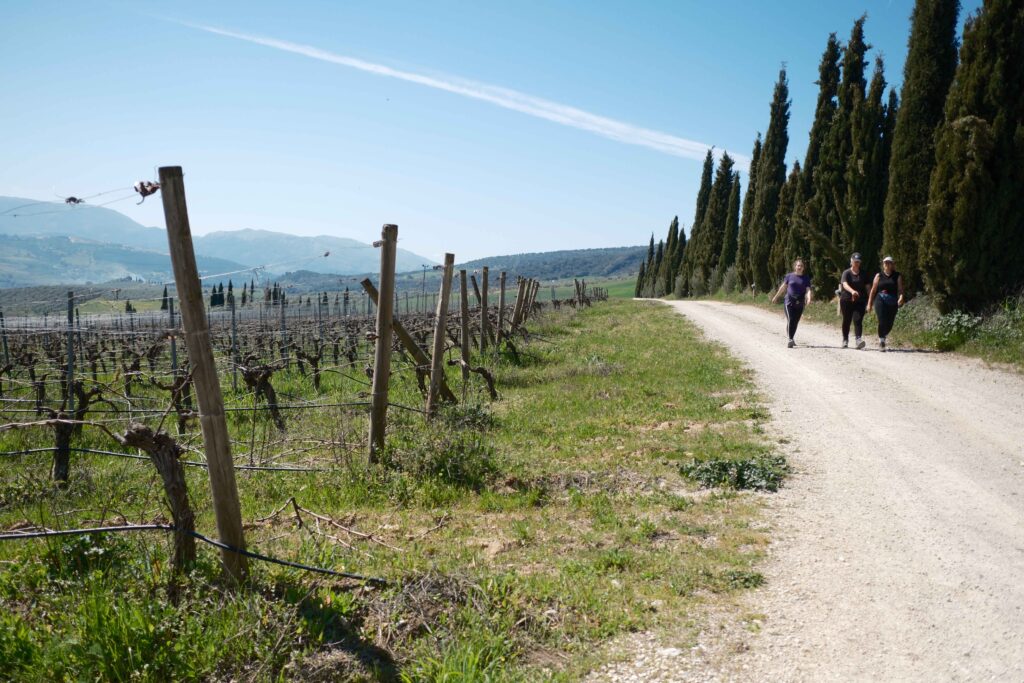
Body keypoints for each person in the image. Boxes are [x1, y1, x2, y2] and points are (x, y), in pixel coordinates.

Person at [771, 258, 813, 348]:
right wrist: (776, 296)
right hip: (789, 301)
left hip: (800, 302)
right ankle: (790, 339)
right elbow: (783, 287)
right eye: (798, 265)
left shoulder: (806, 278)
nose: (799, 267)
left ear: (803, 268)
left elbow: (808, 289)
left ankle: (791, 338)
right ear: (795, 267)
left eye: (801, 266)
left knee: (795, 322)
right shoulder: (789, 276)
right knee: (791, 319)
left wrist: (809, 298)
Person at [866, 255, 905, 351]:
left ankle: (882, 334)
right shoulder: (878, 275)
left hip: (892, 300)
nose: (887, 264)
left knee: (890, 323)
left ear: (892, 264)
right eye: (885, 263)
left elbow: (900, 289)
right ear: (883, 264)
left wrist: (901, 297)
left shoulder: (897, 276)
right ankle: (882, 341)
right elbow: (873, 290)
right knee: (882, 320)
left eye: (889, 262)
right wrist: (869, 304)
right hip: (880, 299)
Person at [839, 252, 868, 349]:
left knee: (858, 319)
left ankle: (858, 340)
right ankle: (845, 339)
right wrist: (852, 291)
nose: (856, 263)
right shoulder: (846, 273)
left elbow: (868, 287)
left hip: (860, 300)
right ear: (851, 261)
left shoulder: (863, 273)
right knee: (846, 320)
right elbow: (844, 284)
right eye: (855, 261)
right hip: (846, 300)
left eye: (858, 262)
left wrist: (870, 299)